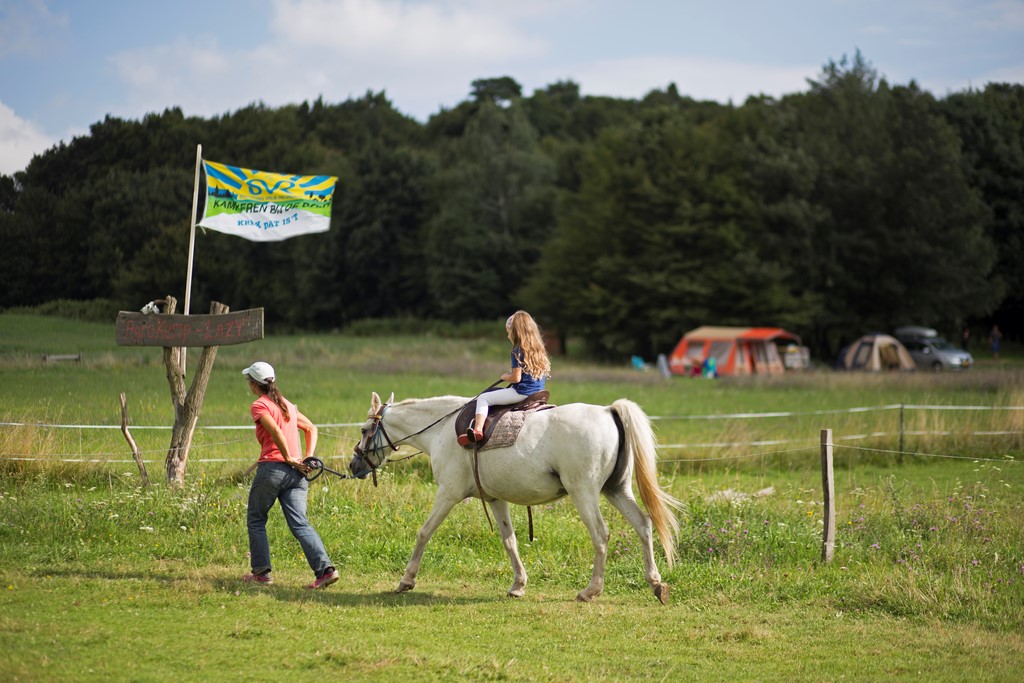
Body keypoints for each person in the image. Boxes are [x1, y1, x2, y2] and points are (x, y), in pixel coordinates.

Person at [241, 361, 339, 589]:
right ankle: (326, 570)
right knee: (300, 523)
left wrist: (287, 457)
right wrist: (306, 458)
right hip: (297, 474)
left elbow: (274, 429)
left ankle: (261, 573)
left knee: (256, 519)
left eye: (249, 381)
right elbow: (311, 428)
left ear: (254, 384)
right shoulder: (287, 405)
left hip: (272, 470)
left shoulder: (259, 405)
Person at [466, 311, 551, 443]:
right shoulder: (538, 349)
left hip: (522, 393)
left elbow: (516, 378)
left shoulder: (517, 350)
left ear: (516, 331)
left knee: (484, 398)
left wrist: (505, 376)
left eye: (509, 331)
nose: (508, 335)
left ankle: (477, 430)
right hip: (538, 393)